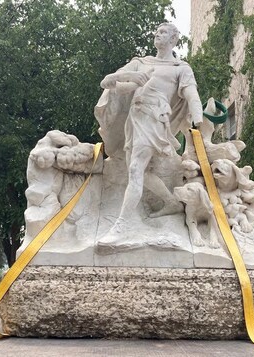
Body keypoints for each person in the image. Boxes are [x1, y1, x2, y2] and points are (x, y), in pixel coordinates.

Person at [95, 23, 203, 243]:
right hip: (134, 119)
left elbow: (192, 95)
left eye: (163, 32)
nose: (157, 34)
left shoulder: (179, 67)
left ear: (173, 40)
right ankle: (171, 202)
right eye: (156, 32)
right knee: (140, 172)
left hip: (155, 118)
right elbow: (106, 82)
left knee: (135, 169)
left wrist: (198, 119)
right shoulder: (140, 63)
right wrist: (132, 77)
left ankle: (121, 225)